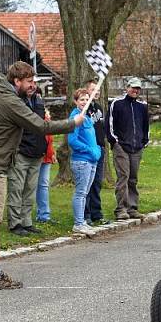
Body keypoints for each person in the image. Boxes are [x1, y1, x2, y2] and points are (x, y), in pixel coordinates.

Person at [0, 61, 84, 291]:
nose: (33, 85)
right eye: (29, 82)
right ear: (17, 81)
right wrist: (73, 123)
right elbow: (40, 126)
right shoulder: (10, 101)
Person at [7, 76, 47, 237]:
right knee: (16, 188)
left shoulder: (38, 101)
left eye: (35, 83)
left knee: (30, 189)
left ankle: (26, 221)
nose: (32, 86)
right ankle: (14, 222)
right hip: (21, 151)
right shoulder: (17, 101)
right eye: (30, 83)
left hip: (37, 151)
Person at [106, 77, 149, 220]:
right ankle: (121, 209)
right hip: (121, 146)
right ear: (127, 88)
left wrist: (144, 141)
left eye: (138, 89)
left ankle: (132, 208)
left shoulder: (142, 106)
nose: (135, 91)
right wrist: (115, 142)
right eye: (133, 88)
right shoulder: (116, 104)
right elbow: (110, 124)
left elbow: (145, 125)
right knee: (123, 177)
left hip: (137, 147)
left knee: (133, 178)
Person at [68, 88, 102, 236]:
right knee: (80, 193)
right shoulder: (75, 117)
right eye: (81, 99)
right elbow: (72, 140)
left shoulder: (87, 117)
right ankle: (78, 223)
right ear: (76, 101)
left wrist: (97, 150)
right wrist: (89, 149)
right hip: (82, 161)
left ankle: (83, 222)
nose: (84, 102)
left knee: (85, 192)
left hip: (92, 160)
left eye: (87, 99)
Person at [84, 79, 108, 225]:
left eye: (98, 90)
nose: (96, 92)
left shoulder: (98, 108)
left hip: (100, 148)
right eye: (93, 89)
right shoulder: (84, 109)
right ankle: (85, 214)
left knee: (97, 183)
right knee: (88, 183)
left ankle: (96, 213)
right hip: (88, 151)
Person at [35, 110, 56, 224]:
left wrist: (52, 153)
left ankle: (44, 214)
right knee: (31, 186)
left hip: (46, 157)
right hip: (36, 155)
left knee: (43, 185)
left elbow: (50, 140)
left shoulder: (47, 119)